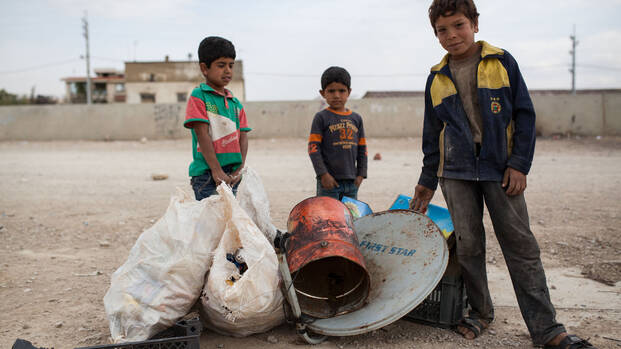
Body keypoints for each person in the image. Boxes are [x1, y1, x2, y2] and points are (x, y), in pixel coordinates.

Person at [410, 1, 596, 348]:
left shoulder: (501, 62)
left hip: (501, 171)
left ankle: (547, 329)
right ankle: (481, 312)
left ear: (476, 24)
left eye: (459, 25)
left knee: (520, 246)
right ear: (435, 34)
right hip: (456, 173)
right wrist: (426, 180)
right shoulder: (436, 78)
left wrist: (519, 164)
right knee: (468, 247)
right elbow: (432, 134)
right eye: (442, 30)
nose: (451, 36)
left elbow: (525, 115)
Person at [183, 36, 251, 200]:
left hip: (230, 175)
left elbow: (243, 136)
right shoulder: (199, 97)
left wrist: (239, 169)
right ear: (204, 68)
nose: (228, 70)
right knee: (211, 221)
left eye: (231, 65)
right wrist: (216, 170)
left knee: (227, 219)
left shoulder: (235, 103)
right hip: (207, 174)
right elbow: (202, 134)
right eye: (221, 65)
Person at [308, 66, 368, 200]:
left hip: (352, 182)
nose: (336, 95)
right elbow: (313, 149)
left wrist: (361, 174)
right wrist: (323, 174)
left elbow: (362, 149)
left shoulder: (356, 119)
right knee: (328, 217)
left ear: (349, 92)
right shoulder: (321, 118)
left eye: (341, 91)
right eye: (331, 91)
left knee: (350, 216)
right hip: (328, 183)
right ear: (323, 93)